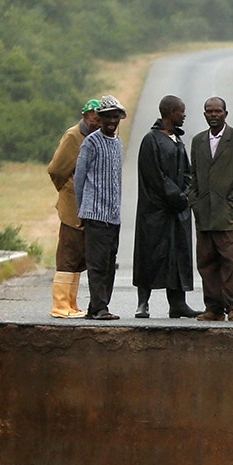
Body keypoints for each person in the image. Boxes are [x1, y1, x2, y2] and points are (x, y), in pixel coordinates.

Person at [189, 96, 233, 322]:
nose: (214, 115)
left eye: (218, 111)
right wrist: (195, 201)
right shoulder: (198, 141)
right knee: (206, 263)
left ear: (226, 113)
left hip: (228, 216)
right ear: (204, 114)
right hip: (204, 215)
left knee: (232, 263)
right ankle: (214, 307)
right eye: (209, 111)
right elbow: (192, 176)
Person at [133, 94, 199, 319]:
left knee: (178, 254)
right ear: (171, 113)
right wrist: (175, 196)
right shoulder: (151, 140)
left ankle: (178, 303)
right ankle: (143, 303)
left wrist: (186, 195)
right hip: (156, 210)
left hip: (178, 211)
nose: (184, 115)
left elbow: (188, 173)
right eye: (181, 111)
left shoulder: (177, 140)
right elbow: (154, 176)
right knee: (150, 254)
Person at [73, 94, 127, 321]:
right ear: (101, 118)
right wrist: (83, 208)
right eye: (108, 118)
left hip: (113, 215)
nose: (112, 122)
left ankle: (97, 306)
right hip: (94, 213)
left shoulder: (118, 143)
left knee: (109, 263)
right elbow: (80, 178)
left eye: (116, 117)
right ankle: (100, 307)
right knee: (96, 264)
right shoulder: (91, 142)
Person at [45, 98, 100, 318]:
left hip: (86, 205)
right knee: (68, 254)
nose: (98, 123)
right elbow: (56, 169)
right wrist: (68, 190)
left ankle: (71, 303)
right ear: (86, 116)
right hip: (72, 206)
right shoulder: (73, 136)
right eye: (96, 118)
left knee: (79, 256)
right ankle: (60, 306)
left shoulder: (94, 136)